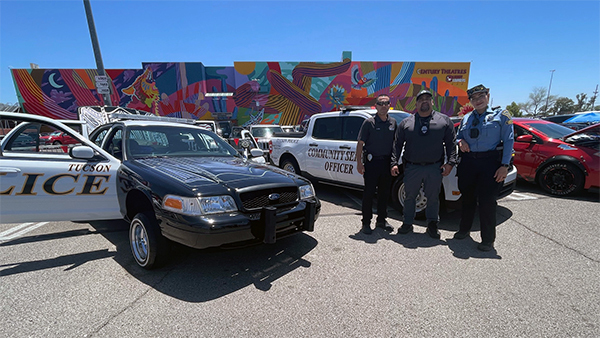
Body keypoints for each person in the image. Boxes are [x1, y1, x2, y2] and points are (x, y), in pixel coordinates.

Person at [454, 84, 514, 251]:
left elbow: (509, 141)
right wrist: (460, 142)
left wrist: (504, 165)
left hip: (490, 163)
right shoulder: (466, 118)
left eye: (481, 96)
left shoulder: (501, 115)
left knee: (487, 202)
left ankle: (488, 239)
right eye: (474, 98)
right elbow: (457, 137)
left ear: (488, 96)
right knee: (467, 199)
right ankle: (464, 230)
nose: (478, 100)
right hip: (468, 163)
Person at [391, 90, 457, 238]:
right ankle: (407, 223)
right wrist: (393, 163)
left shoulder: (444, 121)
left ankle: (432, 225)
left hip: (434, 167)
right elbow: (397, 144)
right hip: (412, 167)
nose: (425, 101)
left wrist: (451, 163)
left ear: (432, 102)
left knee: (433, 198)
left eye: (428, 99)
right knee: (409, 197)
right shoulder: (406, 122)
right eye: (421, 99)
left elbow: (451, 144)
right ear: (417, 103)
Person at [356, 94, 397, 234]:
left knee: (384, 194)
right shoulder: (369, 123)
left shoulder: (393, 123)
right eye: (381, 103)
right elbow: (360, 144)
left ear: (389, 105)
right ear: (376, 106)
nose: (384, 106)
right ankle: (366, 223)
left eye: (386, 103)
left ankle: (381, 220)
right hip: (372, 163)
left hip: (386, 163)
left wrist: (394, 163)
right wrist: (359, 163)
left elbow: (394, 146)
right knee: (368, 194)